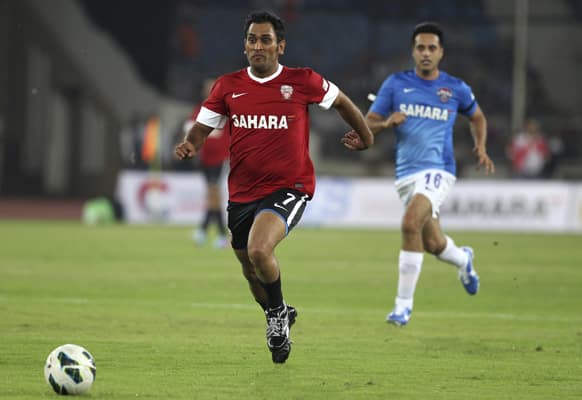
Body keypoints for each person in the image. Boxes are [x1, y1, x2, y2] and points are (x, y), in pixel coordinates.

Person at [175, 10, 373, 362]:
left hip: (289, 187)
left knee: (259, 251)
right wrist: (192, 144)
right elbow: (203, 126)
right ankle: (275, 314)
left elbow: (341, 101)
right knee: (250, 271)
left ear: (280, 46)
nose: (258, 46)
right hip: (241, 193)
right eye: (252, 39)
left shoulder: (302, 81)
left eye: (266, 40)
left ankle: (278, 314)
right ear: (245, 46)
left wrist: (366, 136)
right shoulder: (228, 86)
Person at [343, 22, 495, 326]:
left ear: (441, 52)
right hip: (406, 174)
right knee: (433, 244)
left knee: (410, 223)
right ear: (413, 51)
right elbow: (366, 123)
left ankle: (403, 306)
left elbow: (477, 117)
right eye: (421, 48)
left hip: (439, 170)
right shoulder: (396, 85)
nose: (426, 53)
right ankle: (463, 259)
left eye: (432, 48)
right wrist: (386, 123)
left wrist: (480, 147)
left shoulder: (455, 88)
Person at [185, 78, 230, 248]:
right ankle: (211, 233)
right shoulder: (201, 109)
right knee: (212, 195)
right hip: (205, 158)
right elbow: (190, 127)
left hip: (219, 158)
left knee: (214, 194)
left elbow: (214, 132)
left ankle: (212, 233)